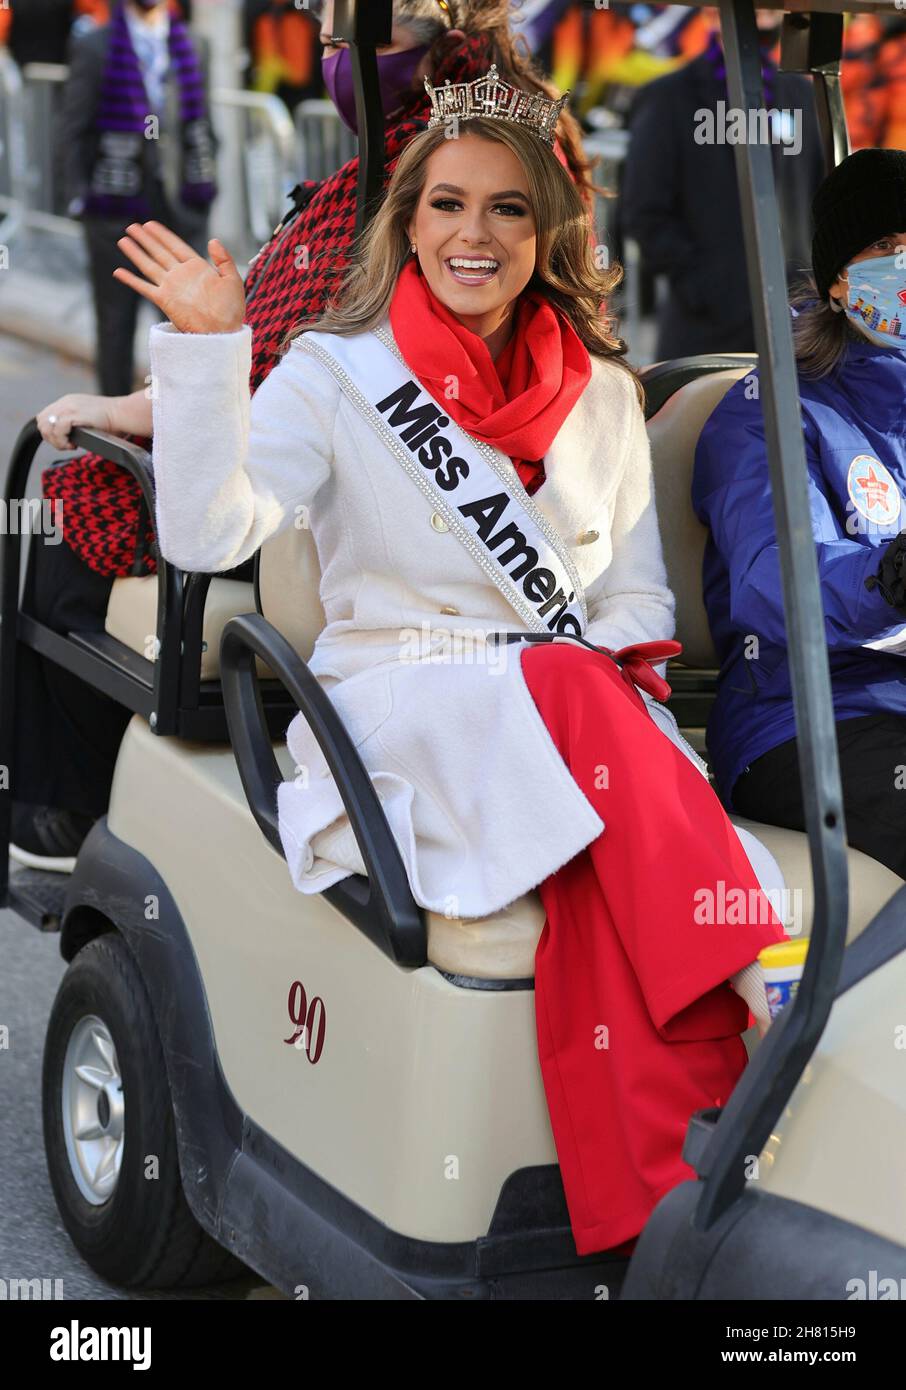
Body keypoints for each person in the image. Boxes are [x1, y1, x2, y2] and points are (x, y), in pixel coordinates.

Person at [116, 72, 787, 1255]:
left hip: (562, 713)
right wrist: (213, 353)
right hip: (399, 699)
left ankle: (658, 1207)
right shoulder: (336, 374)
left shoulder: (605, 397)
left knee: (593, 879)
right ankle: (757, 961)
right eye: (447, 204)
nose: (475, 234)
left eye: (508, 208)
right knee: (573, 699)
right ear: (410, 222)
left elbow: (632, 601)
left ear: (549, 229)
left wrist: (614, 703)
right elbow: (210, 535)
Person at [20, 0, 592, 871]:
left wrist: (173, 389)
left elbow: (301, 357)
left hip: (368, 495)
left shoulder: (426, 167)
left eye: (353, 33)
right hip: (363, 465)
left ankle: (69, 804)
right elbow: (287, 344)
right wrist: (180, 378)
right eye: (325, 36)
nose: (333, 54)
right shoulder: (413, 155)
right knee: (77, 491)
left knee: (71, 507)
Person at [694, 148, 906, 881]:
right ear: (839, 280)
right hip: (806, 718)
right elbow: (776, 586)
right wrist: (892, 575)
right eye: (886, 247)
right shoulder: (769, 412)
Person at [621, 9, 825, 358]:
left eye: (771, 7)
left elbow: (821, 198)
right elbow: (644, 210)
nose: (763, 16)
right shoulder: (669, 97)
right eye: (754, 7)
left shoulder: (800, 94)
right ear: (713, 12)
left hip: (795, 327)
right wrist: (704, 286)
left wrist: (810, 288)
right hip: (705, 331)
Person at [58, 0, 216, 398]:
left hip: (180, 213)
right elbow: (72, 129)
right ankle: (112, 424)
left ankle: (179, 421)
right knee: (115, 329)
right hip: (114, 213)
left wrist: (204, 192)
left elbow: (204, 126)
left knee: (186, 330)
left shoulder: (195, 44)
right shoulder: (94, 45)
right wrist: (81, 201)